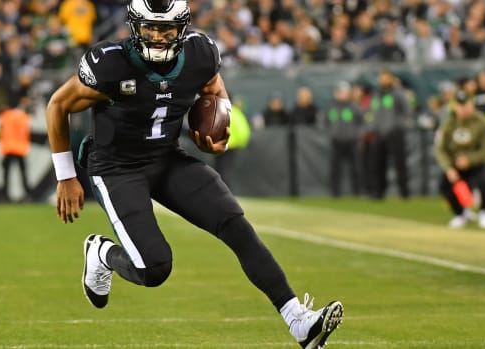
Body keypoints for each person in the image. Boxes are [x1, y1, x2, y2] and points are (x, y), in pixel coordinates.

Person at [45, 1, 343, 349]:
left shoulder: (200, 54)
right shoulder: (110, 63)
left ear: (182, 29)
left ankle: (299, 321)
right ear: (134, 27)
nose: (157, 37)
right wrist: (66, 176)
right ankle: (101, 254)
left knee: (235, 224)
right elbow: (58, 105)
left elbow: (214, 88)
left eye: (166, 29)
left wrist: (221, 128)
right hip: (116, 168)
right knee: (154, 268)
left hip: (167, 158)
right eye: (150, 28)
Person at [434, 90, 485, 229]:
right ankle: (461, 213)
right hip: (456, 164)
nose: (463, 109)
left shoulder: (481, 121)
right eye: (460, 106)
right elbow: (440, 148)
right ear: (455, 106)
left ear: (471, 104)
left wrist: (470, 159)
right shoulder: (448, 123)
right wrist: (449, 167)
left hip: (477, 163)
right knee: (443, 184)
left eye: (466, 105)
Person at [367, 69, 411, 199]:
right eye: (381, 77)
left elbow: (406, 111)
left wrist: (397, 126)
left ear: (391, 78)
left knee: (400, 164)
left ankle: (404, 193)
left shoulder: (398, 93)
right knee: (378, 165)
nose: (383, 80)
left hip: (395, 134)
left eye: (386, 77)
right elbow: (372, 112)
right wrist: (372, 127)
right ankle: (379, 193)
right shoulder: (376, 94)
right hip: (379, 134)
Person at [323, 81, 363, 197]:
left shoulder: (354, 107)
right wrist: (331, 134)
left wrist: (357, 134)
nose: (342, 94)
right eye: (340, 92)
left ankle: (357, 193)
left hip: (352, 142)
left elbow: (363, 123)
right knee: (335, 169)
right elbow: (324, 122)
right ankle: (335, 194)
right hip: (336, 142)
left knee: (356, 168)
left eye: (344, 92)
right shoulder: (330, 107)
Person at [214, 97, 251, 189]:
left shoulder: (219, 111)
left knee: (221, 171)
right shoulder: (236, 112)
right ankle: (224, 192)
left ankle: (223, 192)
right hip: (230, 147)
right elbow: (244, 131)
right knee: (224, 171)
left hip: (223, 146)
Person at [0, 98, 32, 201]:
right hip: (20, 148)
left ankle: (4, 195)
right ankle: (27, 195)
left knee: (6, 174)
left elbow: (0, 131)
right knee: (23, 174)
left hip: (8, 148)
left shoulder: (5, 116)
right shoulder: (23, 116)